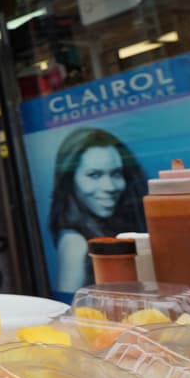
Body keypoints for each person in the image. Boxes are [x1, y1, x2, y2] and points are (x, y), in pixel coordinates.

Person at [48, 127, 148, 296]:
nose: (109, 187)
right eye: (94, 175)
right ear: (70, 181)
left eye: (116, 173)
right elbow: (69, 309)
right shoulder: (75, 244)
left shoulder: (116, 226)